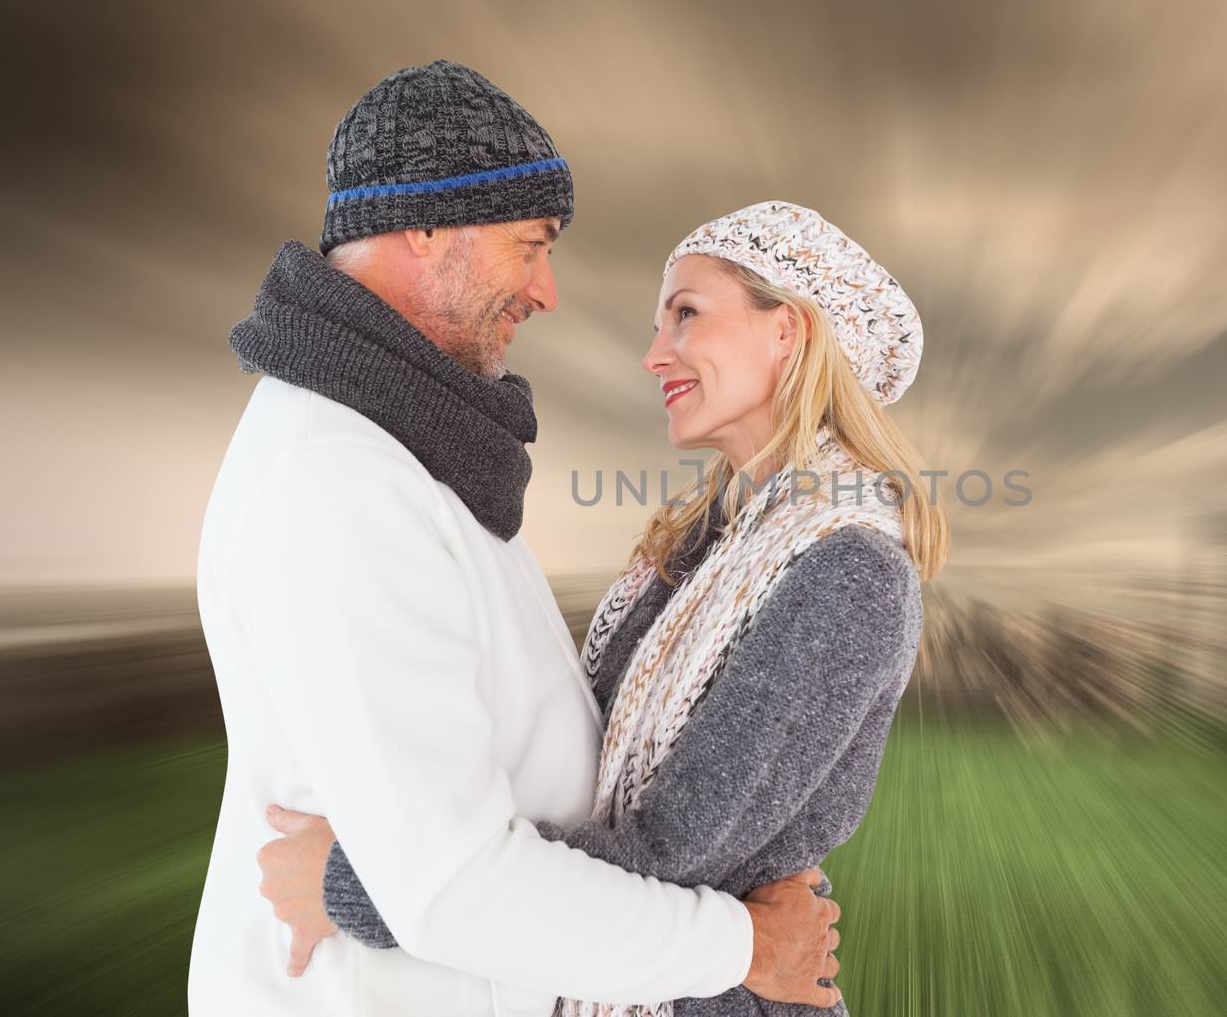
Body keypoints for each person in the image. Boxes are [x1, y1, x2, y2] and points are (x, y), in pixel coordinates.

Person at [190, 61, 841, 1017]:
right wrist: (741, 945)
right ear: (424, 224)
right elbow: (454, 886)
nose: (547, 290)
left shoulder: (406, 450)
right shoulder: (341, 485)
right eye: (529, 244)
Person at [255, 200, 951, 1016]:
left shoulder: (850, 573)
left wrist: (360, 880)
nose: (656, 354)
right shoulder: (699, 544)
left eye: (686, 315)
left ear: (788, 332)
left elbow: (666, 855)